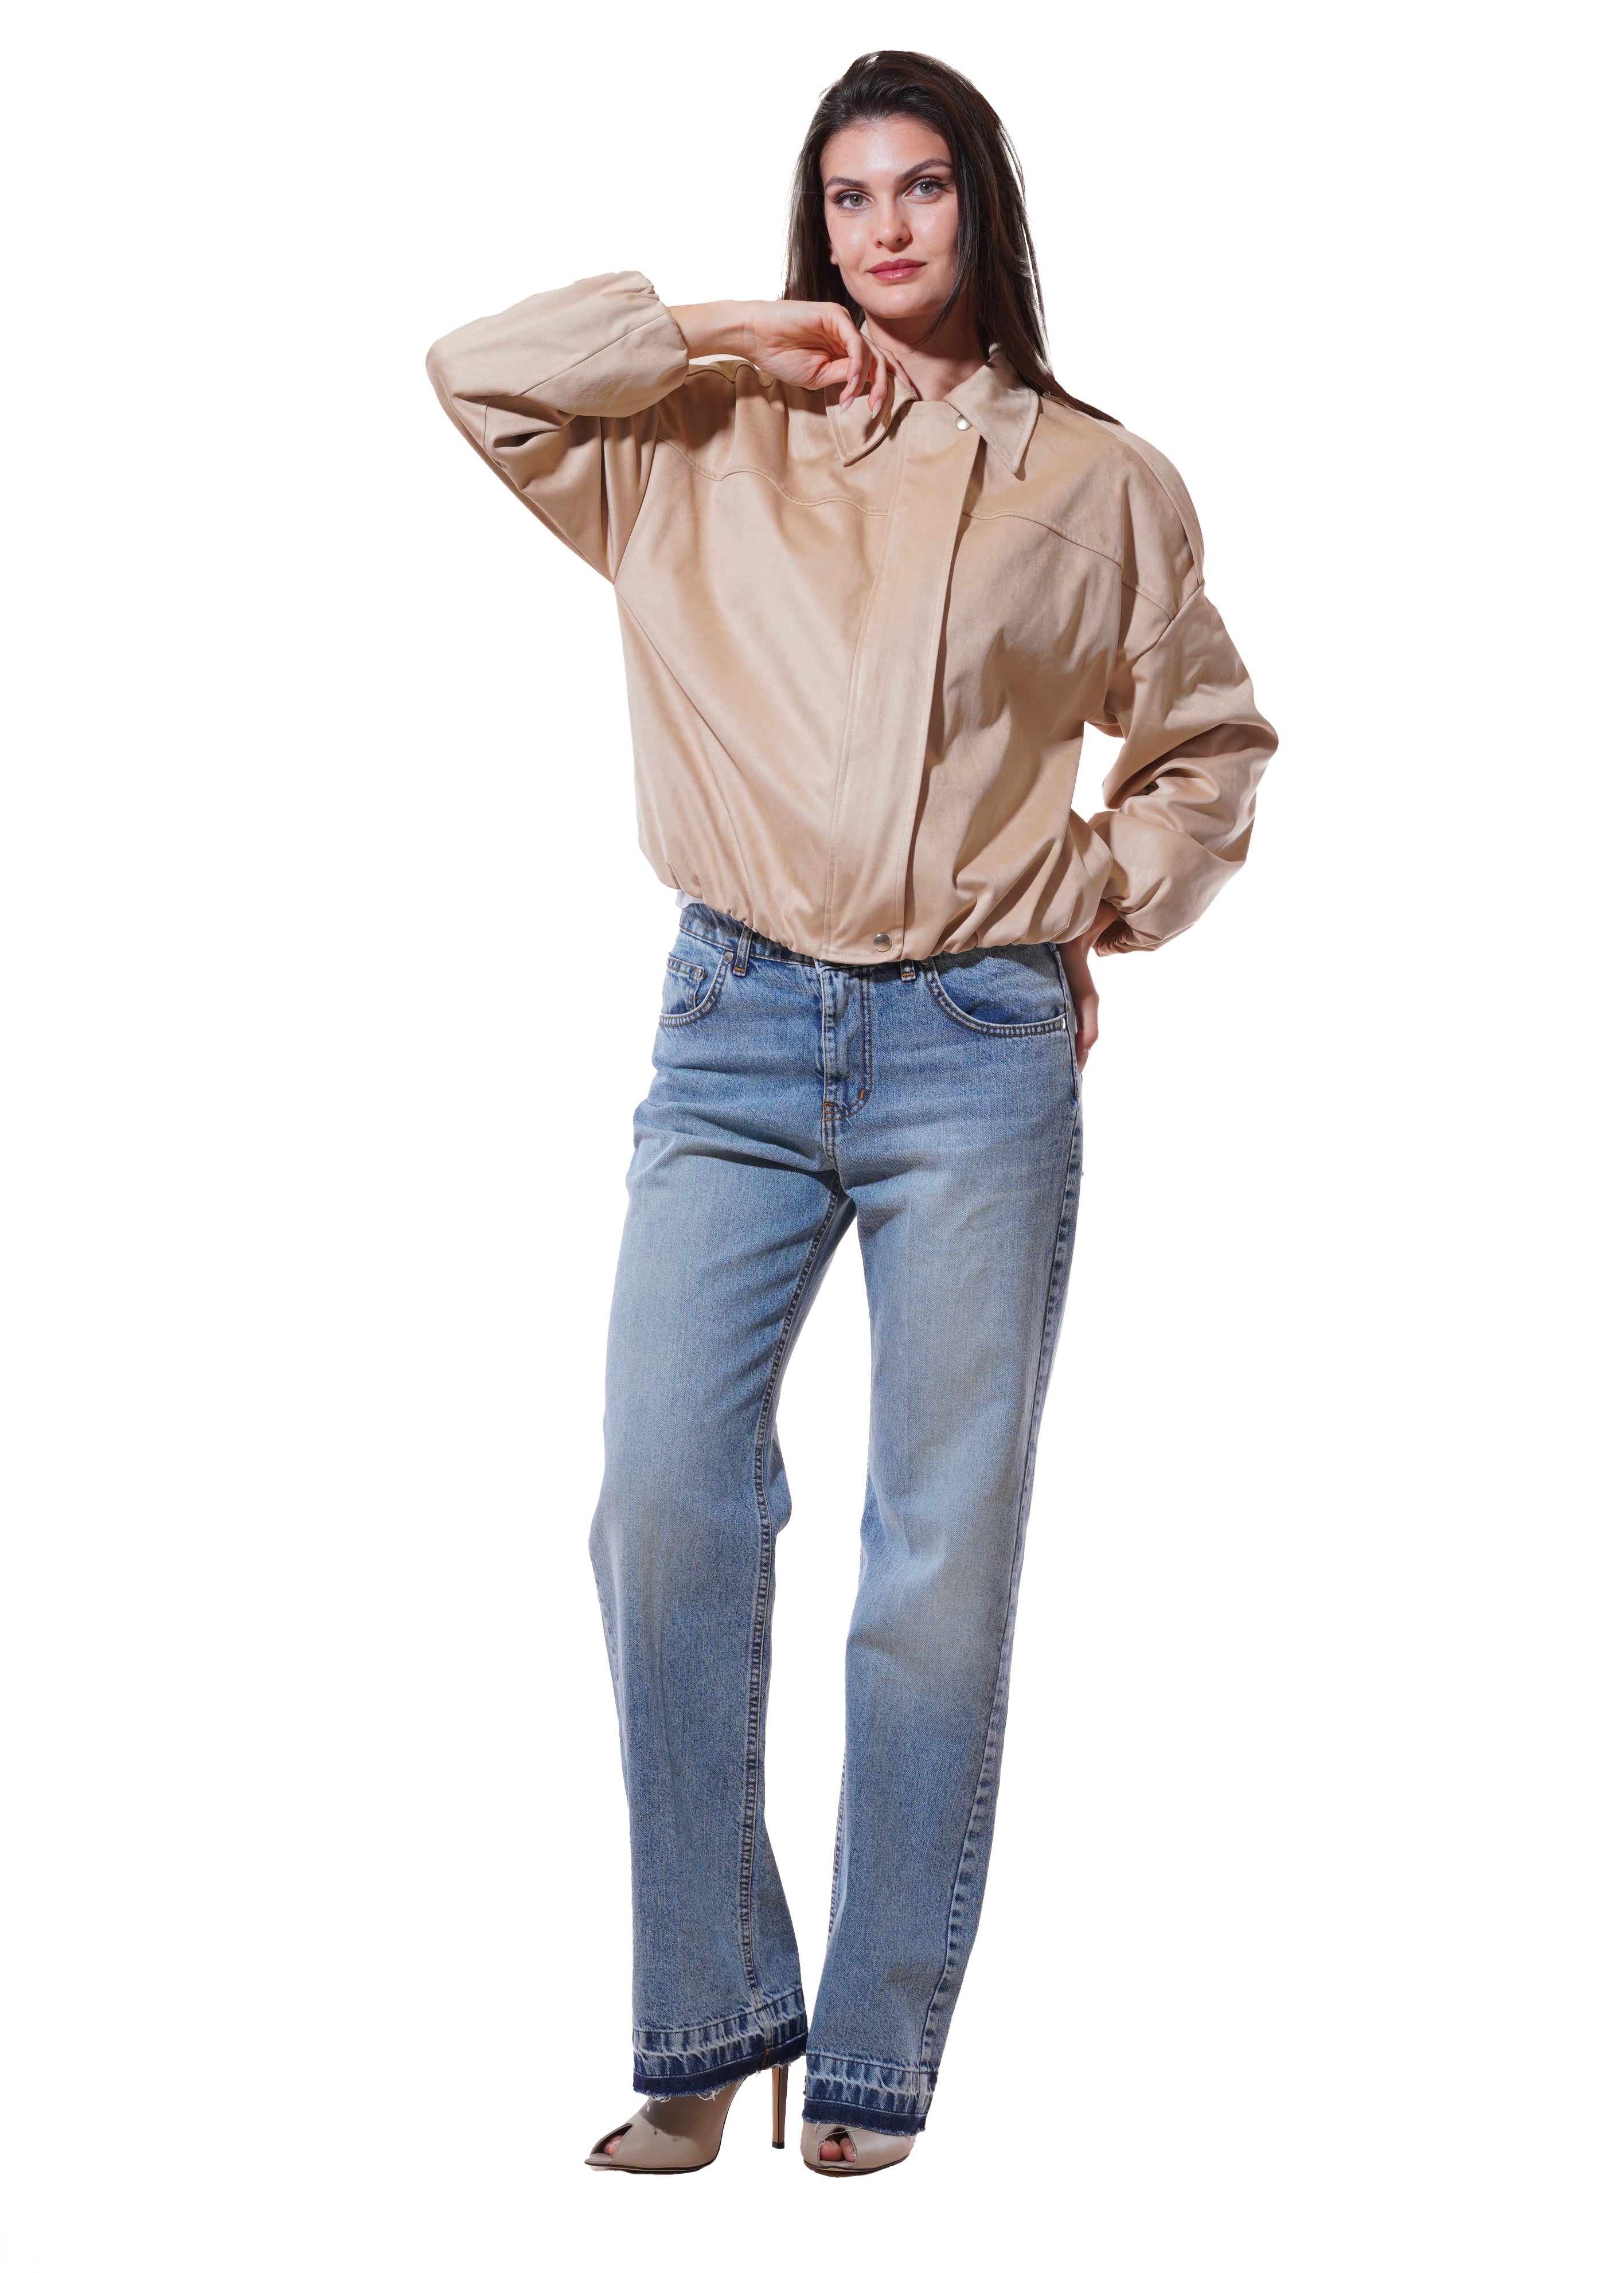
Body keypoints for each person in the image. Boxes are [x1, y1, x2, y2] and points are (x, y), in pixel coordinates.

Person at [426, 48, 1275, 2178]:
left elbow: (1207, 746)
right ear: (814, 221)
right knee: (663, 1500)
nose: (887, 230)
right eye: (847, 196)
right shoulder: (699, 431)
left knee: (938, 1557)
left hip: (975, 1052)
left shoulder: (1099, 483)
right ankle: (710, 2008)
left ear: (983, 207)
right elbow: (477, 375)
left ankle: (877, 2052)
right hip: (731, 1028)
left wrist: (1086, 897)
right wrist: (733, 326)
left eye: (924, 189)